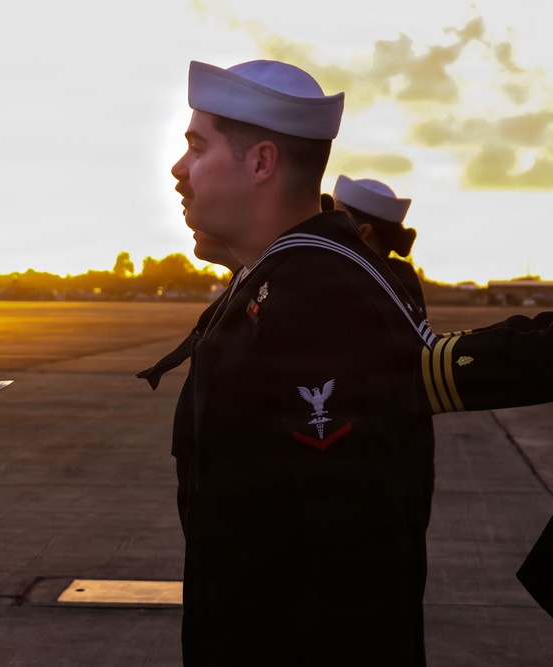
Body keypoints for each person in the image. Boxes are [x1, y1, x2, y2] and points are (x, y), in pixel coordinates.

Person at [142, 59, 438, 665]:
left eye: (197, 146)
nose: (179, 168)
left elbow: (355, 566)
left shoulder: (322, 300)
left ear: (261, 162)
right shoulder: (274, 284)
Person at [333, 174, 426, 315]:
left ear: (363, 231)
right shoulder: (404, 274)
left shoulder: (345, 276)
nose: (327, 222)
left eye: (335, 215)